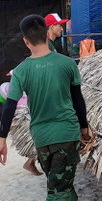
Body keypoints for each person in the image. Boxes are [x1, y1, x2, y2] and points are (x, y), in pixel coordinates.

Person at [0, 15, 95, 201]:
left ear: (26, 41)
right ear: (46, 34)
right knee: (56, 189)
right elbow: (78, 100)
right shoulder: (66, 64)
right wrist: (84, 128)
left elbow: (9, 107)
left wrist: (2, 140)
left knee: (58, 180)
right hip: (66, 133)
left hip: (41, 136)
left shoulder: (22, 71)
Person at [19, 12, 73, 176]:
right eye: (58, 25)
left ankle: (30, 161)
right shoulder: (47, 47)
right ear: (50, 27)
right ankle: (32, 161)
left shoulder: (51, 46)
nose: (61, 27)